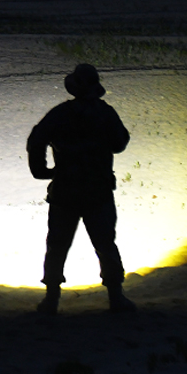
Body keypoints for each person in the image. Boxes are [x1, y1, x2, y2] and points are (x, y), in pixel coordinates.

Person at [27, 63, 136, 315]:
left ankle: (51, 299)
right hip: (97, 190)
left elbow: (37, 139)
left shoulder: (61, 113)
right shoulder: (105, 113)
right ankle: (116, 298)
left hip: (66, 189)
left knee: (57, 245)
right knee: (106, 244)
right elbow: (120, 144)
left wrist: (41, 171)